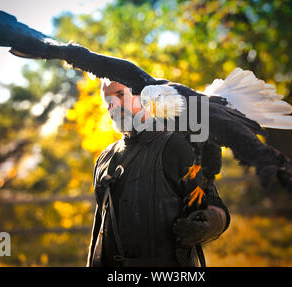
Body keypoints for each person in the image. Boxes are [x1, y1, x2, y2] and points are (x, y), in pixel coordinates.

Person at [86, 80, 231, 267]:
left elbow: (213, 205)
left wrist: (209, 223)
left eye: (121, 94)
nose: (114, 104)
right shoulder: (104, 159)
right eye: (108, 100)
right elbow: (99, 229)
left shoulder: (175, 146)